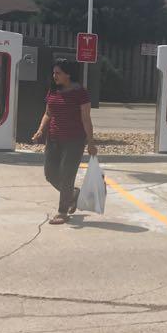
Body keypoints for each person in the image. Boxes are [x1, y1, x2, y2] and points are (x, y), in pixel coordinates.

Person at [32, 59, 97, 224]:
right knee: (50, 174)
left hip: (74, 140)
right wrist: (40, 130)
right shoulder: (53, 90)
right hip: (53, 138)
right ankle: (73, 194)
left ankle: (63, 212)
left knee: (67, 175)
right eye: (54, 73)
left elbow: (86, 118)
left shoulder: (80, 92)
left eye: (58, 73)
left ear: (68, 74)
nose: (54, 76)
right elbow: (48, 113)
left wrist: (90, 142)